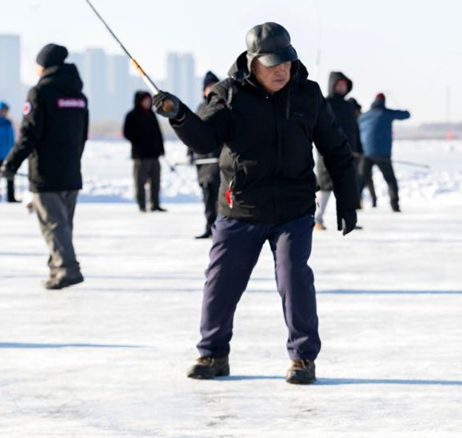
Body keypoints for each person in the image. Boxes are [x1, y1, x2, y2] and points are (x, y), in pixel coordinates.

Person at [151, 22, 359, 384]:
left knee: (294, 279)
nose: (281, 70)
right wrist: (180, 115)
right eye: (272, 63)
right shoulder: (228, 94)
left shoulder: (307, 95)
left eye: (286, 62)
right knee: (222, 281)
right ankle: (213, 353)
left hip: (293, 208)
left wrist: (347, 198)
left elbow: (337, 149)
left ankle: (303, 359)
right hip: (241, 207)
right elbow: (204, 140)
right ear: (252, 62)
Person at [0, 43, 88, 290]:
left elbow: (29, 134)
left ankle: (68, 270)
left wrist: (11, 164)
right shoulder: (79, 96)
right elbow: (82, 136)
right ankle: (56, 268)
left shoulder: (40, 93)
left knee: (54, 225)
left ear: (45, 65)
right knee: (63, 226)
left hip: (46, 173)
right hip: (71, 171)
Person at [315, 71, 361, 230]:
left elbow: (355, 130)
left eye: (344, 85)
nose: (342, 88)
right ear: (332, 85)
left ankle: (347, 220)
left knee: (347, 187)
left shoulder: (349, 106)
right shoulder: (325, 103)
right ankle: (317, 220)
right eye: (339, 85)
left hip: (349, 154)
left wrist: (358, 149)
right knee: (326, 188)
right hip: (328, 154)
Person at [357, 93, 410, 212]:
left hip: (367, 154)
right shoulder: (387, 113)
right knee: (390, 180)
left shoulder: (364, 116)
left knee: (360, 180)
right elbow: (406, 115)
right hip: (383, 155)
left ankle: (355, 203)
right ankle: (395, 205)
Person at [189, 71, 221, 239]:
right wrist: (190, 153)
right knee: (207, 196)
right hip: (202, 162)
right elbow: (192, 132)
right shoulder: (200, 108)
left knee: (219, 198)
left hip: (218, 161)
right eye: (210, 87)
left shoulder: (223, 106)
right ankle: (209, 226)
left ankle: (219, 229)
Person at [123, 91, 166, 212]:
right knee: (140, 182)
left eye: (149, 100)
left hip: (154, 155)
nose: (148, 103)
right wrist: (139, 141)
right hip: (140, 156)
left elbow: (158, 134)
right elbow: (127, 133)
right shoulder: (131, 115)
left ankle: (155, 204)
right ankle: (142, 205)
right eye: (145, 100)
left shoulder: (152, 115)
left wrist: (161, 149)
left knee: (156, 182)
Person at [349, 98, 377, 208]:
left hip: (363, 154)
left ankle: (372, 200)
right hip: (355, 154)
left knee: (366, 178)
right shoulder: (352, 121)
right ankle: (359, 201)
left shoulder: (360, 120)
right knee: (360, 179)